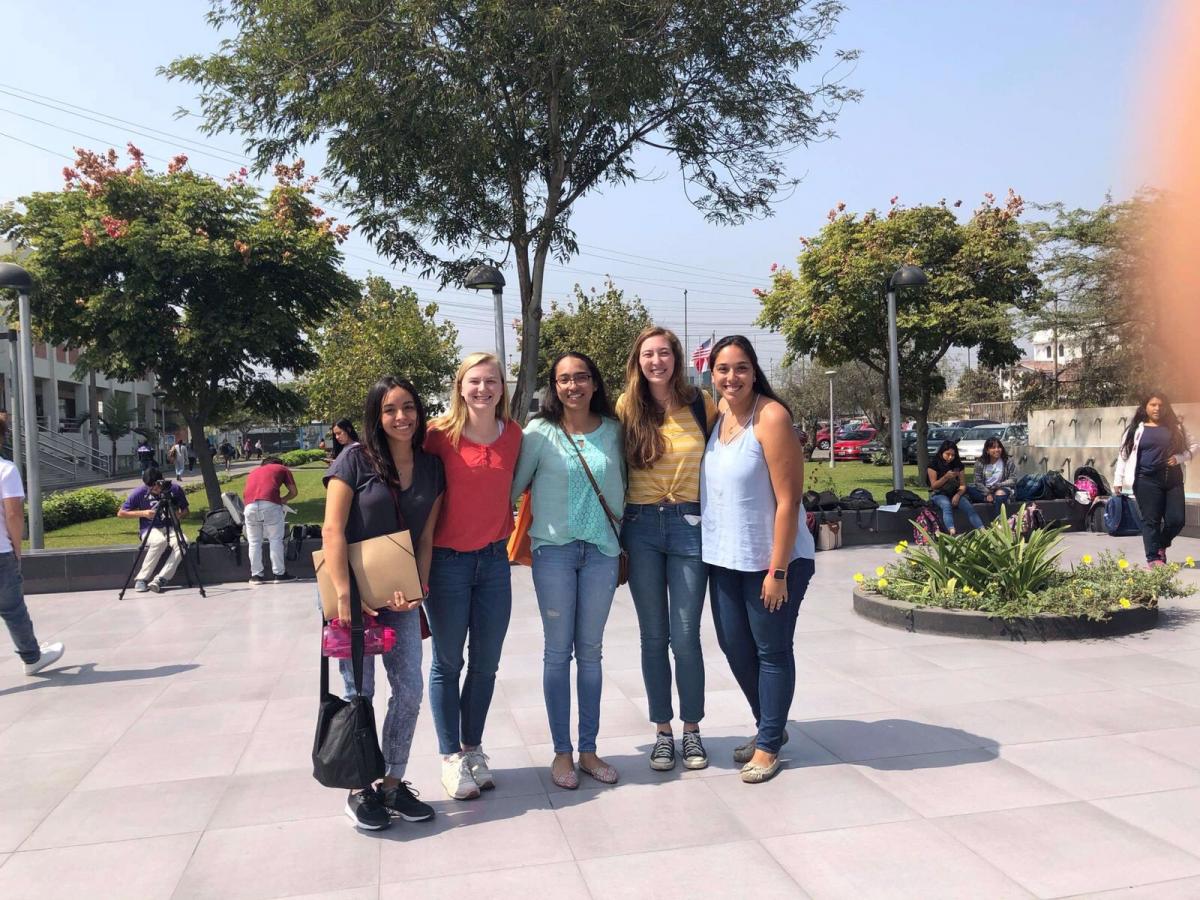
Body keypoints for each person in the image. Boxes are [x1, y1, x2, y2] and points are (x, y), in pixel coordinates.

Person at [321, 375, 442, 831]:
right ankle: (359, 788)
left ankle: (392, 781)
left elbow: (426, 537)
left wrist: (418, 589)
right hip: (353, 597)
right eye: (390, 409)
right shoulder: (353, 460)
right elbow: (332, 529)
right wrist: (345, 595)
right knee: (360, 692)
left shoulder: (431, 468)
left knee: (409, 689)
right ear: (376, 415)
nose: (401, 417)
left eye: (408, 407)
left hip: (401, 596)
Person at [700, 336, 815, 785]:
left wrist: (778, 571)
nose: (732, 377)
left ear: (754, 371)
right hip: (727, 559)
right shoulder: (719, 416)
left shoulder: (771, 417)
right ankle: (770, 724)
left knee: (771, 651)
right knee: (734, 647)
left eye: (741, 368)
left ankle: (768, 743)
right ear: (712, 373)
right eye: (724, 369)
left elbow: (789, 501)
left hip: (773, 562)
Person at [511, 352, 626, 790]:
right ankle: (562, 751)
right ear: (553, 387)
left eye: (581, 377)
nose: (573, 385)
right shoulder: (538, 433)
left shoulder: (615, 433)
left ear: (594, 383)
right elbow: (512, 488)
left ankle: (589, 749)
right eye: (563, 379)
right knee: (558, 653)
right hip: (553, 554)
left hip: (602, 553)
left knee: (591, 653)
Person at [616, 326, 716, 772]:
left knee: (686, 635)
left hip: (689, 526)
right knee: (653, 636)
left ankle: (691, 730)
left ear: (676, 357)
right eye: (647, 355)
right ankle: (662, 731)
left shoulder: (701, 403)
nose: (656, 361)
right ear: (638, 362)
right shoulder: (625, 408)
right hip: (640, 527)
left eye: (663, 353)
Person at [424, 352, 522, 799]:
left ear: (503, 388)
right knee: (448, 662)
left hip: (494, 562)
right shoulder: (437, 435)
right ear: (460, 387)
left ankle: (473, 747)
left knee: (485, 664)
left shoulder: (515, 435)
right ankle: (449, 757)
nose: (484, 389)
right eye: (475, 382)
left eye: (492, 382)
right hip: (446, 563)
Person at [0, 413, 65, 676]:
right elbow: (14, 514)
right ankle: (31, 657)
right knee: (13, 609)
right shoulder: (6, 470)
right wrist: (16, 548)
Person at [1113, 391, 1200, 565]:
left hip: (1172, 479)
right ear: (1145, 407)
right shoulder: (1135, 429)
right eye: (1153, 404)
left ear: (1166, 407)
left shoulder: (1176, 427)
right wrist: (1118, 480)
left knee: (1177, 520)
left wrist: (1180, 458)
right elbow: (1123, 454)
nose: (1157, 408)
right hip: (1145, 479)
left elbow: (1194, 445)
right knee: (1151, 520)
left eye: (1161, 405)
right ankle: (1153, 558)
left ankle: (1161, 544)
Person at [117, 467, 190, 593]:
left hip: (171, 526)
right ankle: (141, 579)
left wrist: (178, 515)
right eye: (150, 487)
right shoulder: (140, 492)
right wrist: (144, 513)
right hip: (149, 528)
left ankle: (161, 578)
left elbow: (185, 510)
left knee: (184, 542)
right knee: (159, 542)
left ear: (161, 481)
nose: (153, 489)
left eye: (156, 486)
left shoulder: (174, 489)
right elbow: (121, 513)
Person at [242, 456, 298, 585]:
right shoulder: (282, 468)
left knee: (254, 542)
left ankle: (256, 575)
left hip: (249, 507)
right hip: (270, 505)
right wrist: (282, 500)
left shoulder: (253, 471)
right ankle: (279, 574)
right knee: (275, 539)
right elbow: (294, 492)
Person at [927, 440, 983, 535]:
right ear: (942, 453)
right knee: (946, 505)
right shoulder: (933, 464)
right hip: (938, 493)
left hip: (954, 492)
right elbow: (934, 485)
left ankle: (982, 530)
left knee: (968, 507)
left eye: (953, 455)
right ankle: (952, 530)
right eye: (947, 454)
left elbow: (962, 485)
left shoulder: (958, 465)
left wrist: (958, 495)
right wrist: (945, 477)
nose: (950, 457)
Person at [971, 437, 1018, 516]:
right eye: (993, 447)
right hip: (984, 490)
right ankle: (989, 498)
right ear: (987, 450)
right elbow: (977, 481)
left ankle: (999, 522)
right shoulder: (980, 462)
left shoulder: (1007, 461)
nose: (997, 450)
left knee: (999, 493)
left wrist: (999, 485)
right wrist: (987, 493)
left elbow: (1013, 479)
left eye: (999, 447)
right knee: (968, 489)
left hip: (1002, 488)